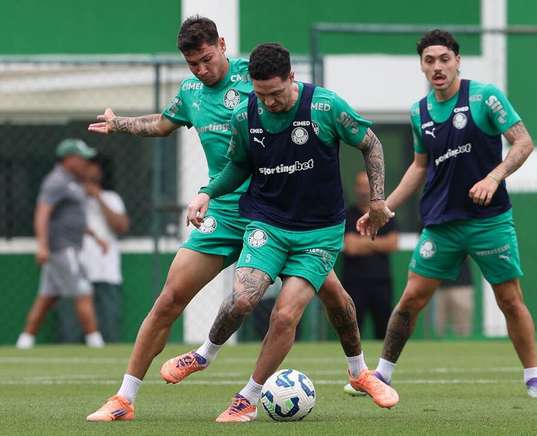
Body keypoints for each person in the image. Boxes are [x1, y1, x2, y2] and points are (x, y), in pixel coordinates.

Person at [86, 17, 372, 422]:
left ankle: (360, 371)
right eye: (192, 65)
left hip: (279, 213)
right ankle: (124, 398)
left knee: (336, 300)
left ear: (222, 44)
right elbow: (163, 124)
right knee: (169, 299)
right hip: (222, 212)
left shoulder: (255, 78)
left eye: (206, 60)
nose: (201, 71)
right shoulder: (191, 93)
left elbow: (296, 106)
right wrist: (121, 125)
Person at [184, 42, 398, 421]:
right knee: (244, 299)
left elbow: (371, 143)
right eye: (261, 94)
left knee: (285, 316)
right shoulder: (244, 116)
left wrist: (377, 201)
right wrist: (206, 192)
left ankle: (247, 398)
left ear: (292, 78)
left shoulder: (325, 106)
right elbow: (237, 167)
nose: (269, 102)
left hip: (319, 233)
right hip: (267, 223)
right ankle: (204, 354)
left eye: (276, 93)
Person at [355, 29, 537, 398]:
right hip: (441, 224)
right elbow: (419, 167)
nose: (437, 67)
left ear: (457, 61)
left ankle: (533, 377)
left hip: (489, 220)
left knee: (510, 299)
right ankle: (381, 375)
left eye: (444, 59)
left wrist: (493, 177)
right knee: (411, 299)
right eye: (429, 61)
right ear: (422, 66)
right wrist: (384, 207)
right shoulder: (419, 111)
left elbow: (523, 142)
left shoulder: (485, 97)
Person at [16, 139, 106, 349]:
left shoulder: (72, 181)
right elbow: (42, 213)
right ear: (69, 159)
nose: (86, 162)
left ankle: (25, 340)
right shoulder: (56, 181)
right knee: (83, 290)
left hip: (69, 245)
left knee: (47, 297)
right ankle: (95, 340)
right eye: (82, 158)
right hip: (62, 248)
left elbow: (70, 217)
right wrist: (42, 245)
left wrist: (94, 235)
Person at [341, 170, 399, 339]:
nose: (364, 190)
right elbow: (350, 247)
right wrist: (378, 242)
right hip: (354, 283)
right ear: (355, 188)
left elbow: (392, 243)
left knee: (384, 331)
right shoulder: (348, 215)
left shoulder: (385, 214)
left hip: (381, 282)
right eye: (360, 186)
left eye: (368, 186)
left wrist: (363, 241)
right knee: (352, 331)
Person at [80, 159, 130, 342]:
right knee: (71, 332)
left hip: (106, 271)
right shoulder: (71, 197)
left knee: (109, 329)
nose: (90, 170)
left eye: (93, 165)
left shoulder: (111, 198)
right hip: (76, 270)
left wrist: (98, 197)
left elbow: (121, 226)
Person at [434, 258, 473, 337]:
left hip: (462, 285)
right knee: (439, 326)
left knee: (463, 328)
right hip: (439, 285)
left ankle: (464, 348)